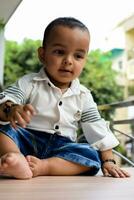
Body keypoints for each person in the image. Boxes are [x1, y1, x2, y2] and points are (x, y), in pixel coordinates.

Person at [0, 17, 130, 179]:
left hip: (61, 149)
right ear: (42, 55)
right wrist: (12, 109)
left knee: (90, 154)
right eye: (60, 52)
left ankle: (44, 167)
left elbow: (96, 127)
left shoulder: (83, 95)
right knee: (4, 131)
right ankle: (14, 158)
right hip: (26, 139)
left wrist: (109, 161)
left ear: (84, 61)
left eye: (78, 56)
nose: (68, 61)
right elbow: (6, 100)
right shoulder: (29, 82)